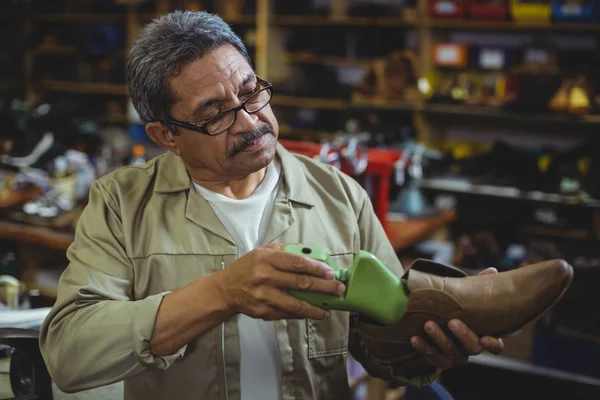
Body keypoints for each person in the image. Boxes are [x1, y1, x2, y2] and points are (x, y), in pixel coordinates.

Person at [39, 10, 504, 400]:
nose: (250, 121)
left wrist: (426, 349)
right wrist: (221, 294)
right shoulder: (120, 204)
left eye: (249, 92)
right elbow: (69, 354)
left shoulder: (339, 196)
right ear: (167, 136)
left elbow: (381, 349)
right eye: (215, 113)